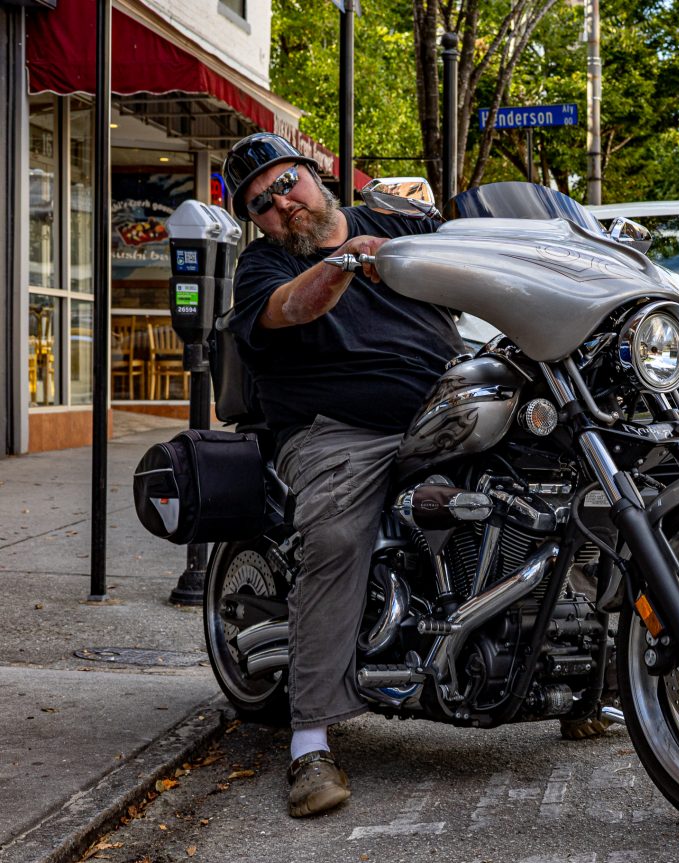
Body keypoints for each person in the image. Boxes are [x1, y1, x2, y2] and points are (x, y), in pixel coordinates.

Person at [222, 133, 465, 817]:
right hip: (338, 430)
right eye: (261, 203)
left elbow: (468, 254)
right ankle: (310, 743)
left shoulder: (392, 217)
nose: (281, 204)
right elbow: (290, 309)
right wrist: (345, 264)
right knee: (333, 539)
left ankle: (578, 675)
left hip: (443, 404)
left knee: (546, 480)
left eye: (286, 183)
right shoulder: (261, 267)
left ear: (313, 174)